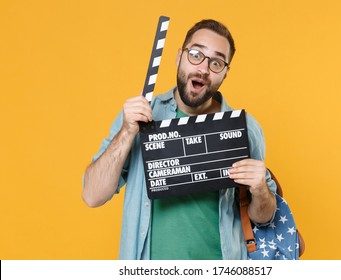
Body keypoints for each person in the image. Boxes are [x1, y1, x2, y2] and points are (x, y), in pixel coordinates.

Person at [82, 19, 277, 260]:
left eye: (216, 62)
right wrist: (126, 133)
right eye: (195, 54)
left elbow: (264, 217)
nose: (203, 69)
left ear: (225, 73)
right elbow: (92, 196)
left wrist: (260, 190)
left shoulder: (245, 128)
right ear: (179, 57)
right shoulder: (140, 116)